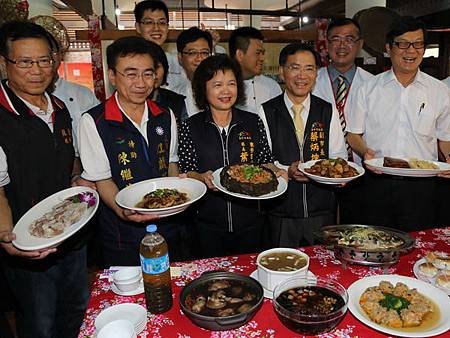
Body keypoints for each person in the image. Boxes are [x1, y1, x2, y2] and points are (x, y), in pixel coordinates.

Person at [0, 21, 88, 338]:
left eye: (44, 61)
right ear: (4, 63)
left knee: (76, 309)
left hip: (71, 233)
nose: (36, 70)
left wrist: (78, 177)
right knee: (40, 323)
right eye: (25, 62)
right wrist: (7, 237)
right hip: (28, 247)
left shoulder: (60, 108)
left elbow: (69, 158)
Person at [78, 36, 180, 266]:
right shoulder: (94, 121)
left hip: (168, 225)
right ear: (112, 76)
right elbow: (102, 179)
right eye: (131, 74)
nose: (141, 83)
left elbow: (171, 164)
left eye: (148, 73)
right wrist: (122, 210)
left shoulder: (165, 115)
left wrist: (178, 200)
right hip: (122, 232)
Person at [346, 16, 450, 231]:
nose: (410, 51)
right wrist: (366, 152)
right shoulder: (368, 88)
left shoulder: (439, 91)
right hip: (377, 182)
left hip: (423, 186)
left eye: (418, 44)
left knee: (419, 243)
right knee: (374, 244)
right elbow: (353, 135)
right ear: (388, 48)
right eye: (402, 44)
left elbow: (445, 139)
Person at [178, 54, 285, 258]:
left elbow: (264, 161)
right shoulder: (190, 127)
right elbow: (186, 170)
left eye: (231, 83)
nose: (226, 91)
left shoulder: (253, 122)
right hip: (206, 225)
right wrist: (201, 177)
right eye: (217, 84)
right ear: (203, 88)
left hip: (252, 222)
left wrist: (277, 172)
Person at [259, 43, 347, 247]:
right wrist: (287, 171)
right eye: (294, 67)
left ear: (316, 74)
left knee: (324, 268)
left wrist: (330, 173)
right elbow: (264, 161)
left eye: (309, 68)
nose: (302, 75)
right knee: (282, 268)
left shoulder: (327, 110)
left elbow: (338, 154)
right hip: (281, 210)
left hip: (322, 209)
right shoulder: (266, 111)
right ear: (282, 72)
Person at [312, 17, 374, 224]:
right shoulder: (310, 82)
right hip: (319, 173)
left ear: (360, 44)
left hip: (363, 173)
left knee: (356, 227)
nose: (341, 45)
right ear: (326, 44)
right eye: (335, 39)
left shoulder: (374, 85)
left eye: (349, 39)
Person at [229, 27, 282, 114]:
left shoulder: (272, 86)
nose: (262, 58)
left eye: (263, 53)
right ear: (240, 55)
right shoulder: (224, 89)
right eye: (258, 53)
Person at [167, 27, 212, 118]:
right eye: (192, 53)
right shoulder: (174, 96)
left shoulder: (223, 90)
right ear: (180, 57)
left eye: (204, 53)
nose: (199, 58)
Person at [134, 0, 182, 79]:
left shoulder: (177, 63)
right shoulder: (129, 61)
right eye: (149, 22)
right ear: (138, 27)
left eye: (162, 23)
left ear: (167, 27)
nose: (156, 28)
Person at [148, 40, 188, 123]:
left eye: (157, 67)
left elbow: (185, 133)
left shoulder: (176, 101)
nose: (153, 74)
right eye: (147, 69)